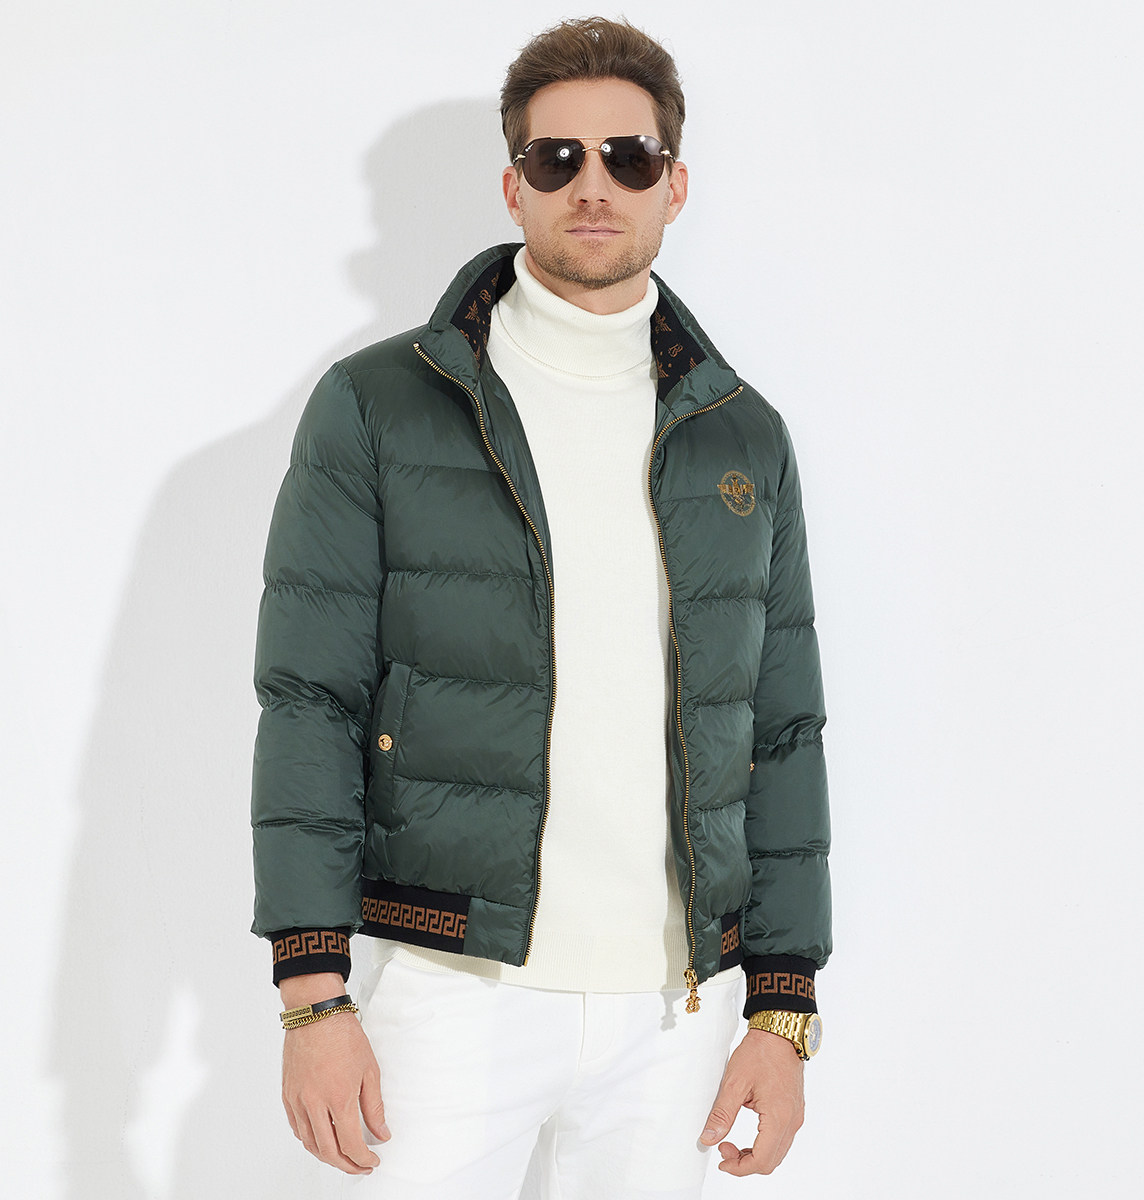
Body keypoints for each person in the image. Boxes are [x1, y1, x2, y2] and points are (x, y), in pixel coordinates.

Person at [251, 16, 830, 1198]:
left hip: (676, 1012)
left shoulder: (742, 437)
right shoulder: (378, 407)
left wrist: (782, 1009)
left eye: (629, 156)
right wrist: (313, 992)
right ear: (513, 184)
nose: (593, 186)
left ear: (675, 185)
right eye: (558, 159)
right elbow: (310, 698)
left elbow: (782, 730)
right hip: (451, 988)